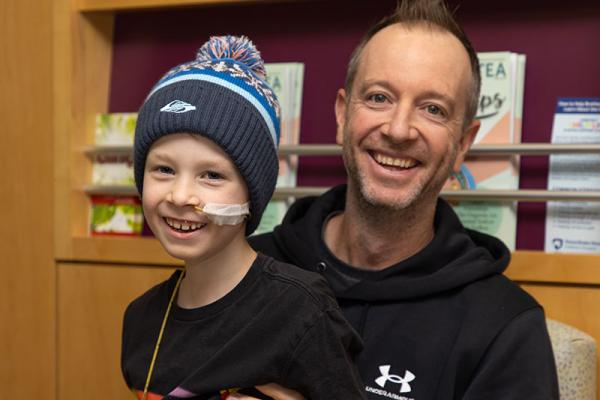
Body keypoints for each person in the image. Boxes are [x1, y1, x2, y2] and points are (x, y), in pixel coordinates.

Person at [249, 0, 560, 399]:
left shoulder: (505, 328)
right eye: (379, 97)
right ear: (343, 114)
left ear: (463, 143)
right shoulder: (243, 274)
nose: (398, 129)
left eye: (433, 109)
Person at [121, 35, 366, 400]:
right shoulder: (141, 319)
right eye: (163, 169)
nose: (180, 196)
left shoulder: (301, 312)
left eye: (212, 175)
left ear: (252, 193)